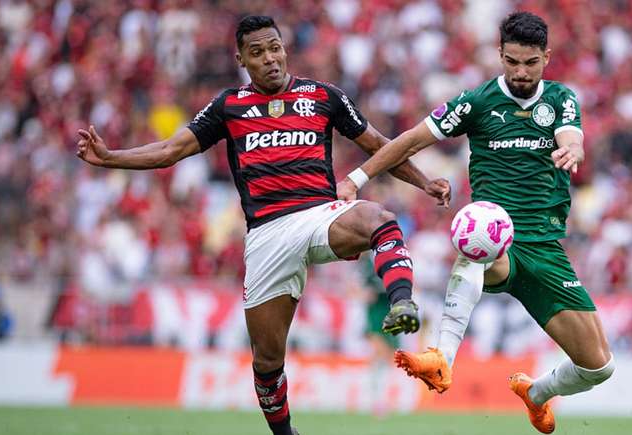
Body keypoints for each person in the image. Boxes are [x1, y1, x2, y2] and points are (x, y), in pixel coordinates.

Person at [76, 15, 450, 435]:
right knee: (267, 363)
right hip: (267, 235)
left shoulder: (322, 96)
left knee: (379, 219)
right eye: (257, 52)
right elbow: (169, 150)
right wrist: (111, 158)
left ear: (284, 48)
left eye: (275, 47)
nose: (270, 58)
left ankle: (402, 302)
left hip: (318, 215)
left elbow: (380, 146)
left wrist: (424, 182)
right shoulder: (229, 106)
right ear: (242, 59)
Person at [337, 12, 614, 434]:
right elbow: (409, 140)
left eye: (531, 63)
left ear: (547, 57)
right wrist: (355, 179)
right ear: (499, 54)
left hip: (546, 247)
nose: (521, 72)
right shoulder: (476, 102)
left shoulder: (560, 99)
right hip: (496, 234)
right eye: (512, 61)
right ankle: (441, 357)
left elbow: (571, 135)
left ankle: (535, 394)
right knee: (477, 241)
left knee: (598, 367)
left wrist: (572, 150)